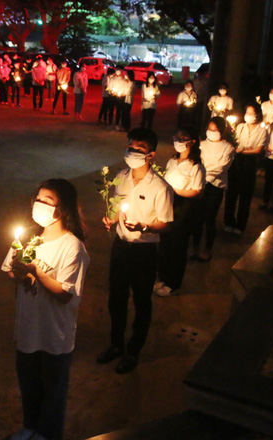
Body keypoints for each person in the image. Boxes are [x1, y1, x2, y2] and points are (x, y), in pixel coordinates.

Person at [1, 179, 89, 440]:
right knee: (28, 381)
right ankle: (30, 425)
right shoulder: (28, 237)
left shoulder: (72, 248)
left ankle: (49, 433)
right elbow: (9, 270)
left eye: (47, 200)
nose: (39, 204)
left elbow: (65, 294)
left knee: (53, 386)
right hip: (28, 327)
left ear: (62, 209)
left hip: (54, 332)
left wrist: (36, 271)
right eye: (38, 198)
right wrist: (21, 275)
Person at [98, 128, 173, 374]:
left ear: (150, 155)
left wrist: (144, 226)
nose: (131, 152)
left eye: (138, 149)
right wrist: (111, 218)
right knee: (116, 299)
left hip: (144, 251)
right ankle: (116, 345)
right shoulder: (121, 176)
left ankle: (133, 350)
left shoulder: (160, 187)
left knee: (141, 301)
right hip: (121, 247)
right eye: (130, 147)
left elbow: (165, 223)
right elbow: (117, 208)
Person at [155, 126, 205, 297]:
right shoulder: (172, 161)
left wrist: (176, 191)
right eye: (177, 137)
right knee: (164, 242)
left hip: (184, 208)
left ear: (192, 142)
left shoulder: (196, 165)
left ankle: (173, 283)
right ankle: (162, 278)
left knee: (178, 245)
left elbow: (198, 192)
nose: (179, 141)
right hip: (168, 204)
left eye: (184, 138)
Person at [190, 117, 235, 261]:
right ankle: (195, 247)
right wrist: (201, 172)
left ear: (221, 131)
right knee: (197, 218)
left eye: (215, 130)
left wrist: (203, 172)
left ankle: (207, 249)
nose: (211, 132)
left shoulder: (228, 148)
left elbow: (221, 168)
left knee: (210, 219)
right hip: (199, 185)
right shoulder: (201, 145)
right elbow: (196, 163)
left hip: (215, 187)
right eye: (209, 129)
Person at [224, 104, 268, 233]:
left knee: (245, 195)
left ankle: (240, 225)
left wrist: (243, 151)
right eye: (247, 112)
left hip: (249, 164)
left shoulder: (262, 131)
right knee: (231, 193)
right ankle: (229, 222)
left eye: (251, 113)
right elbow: (234, 141)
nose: (248, 115)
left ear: (257, 115)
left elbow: (258, 149)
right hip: (236, 162)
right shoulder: (240, 127)